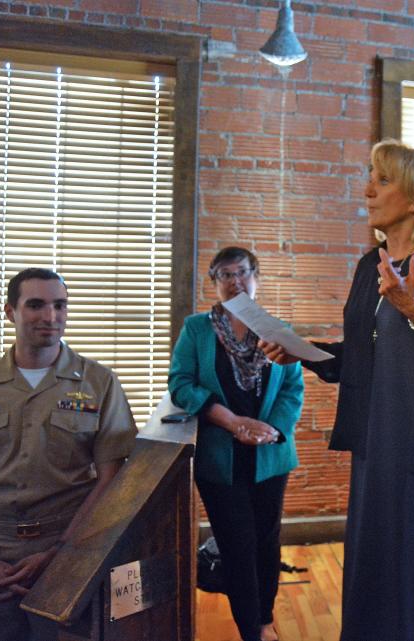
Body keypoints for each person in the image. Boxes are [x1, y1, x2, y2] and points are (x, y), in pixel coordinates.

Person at [262, 140, 414, 641]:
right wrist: (307, 351)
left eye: (381, 180)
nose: (367, 190)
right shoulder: (373, 264)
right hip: (378, 449)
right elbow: (368, 355)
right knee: (378, 581)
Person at [0, 268, 137, 641]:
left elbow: (111, 479)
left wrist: (61, 552)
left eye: (59, 305)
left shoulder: (99, 383)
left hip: (69, 550)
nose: (50, 317)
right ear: (10, 312)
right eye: (35, 305)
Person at [169, 247, 304, 641]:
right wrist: (232, 423)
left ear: (255, 277)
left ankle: (264, 619)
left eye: (241, 272)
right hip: (219, 456)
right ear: (214, 283)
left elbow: (292, 389)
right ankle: (250, 630)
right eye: (224, 275)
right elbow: (181, 384)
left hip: (270, 454)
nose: (234, 281)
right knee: (237, 545)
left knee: (266, 541)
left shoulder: (277, 329)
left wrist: (269, 430)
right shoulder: (197, 329)